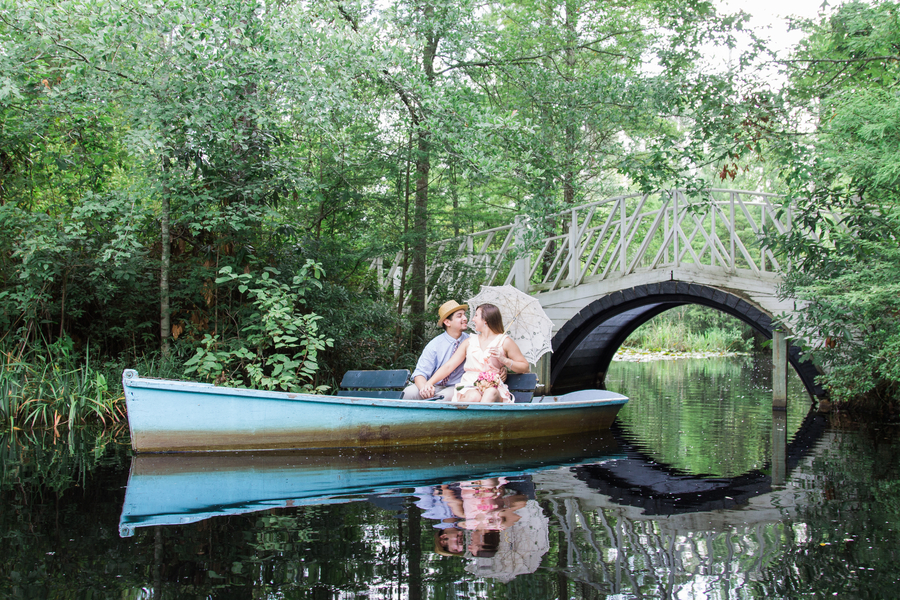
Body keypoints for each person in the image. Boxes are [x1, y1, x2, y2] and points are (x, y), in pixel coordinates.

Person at [424, 303, 530, 403]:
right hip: (470, 386)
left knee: (490, 392)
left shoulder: (505, 341)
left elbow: (525, 367)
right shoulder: (469, 341)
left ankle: (481, 420)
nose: (473, 319)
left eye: (476, 316)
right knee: (473, 396)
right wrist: (429, 383)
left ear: (485, 320)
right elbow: (449, 366)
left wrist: (504, 360)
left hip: (493, 387)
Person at [402, 300, 470, 401]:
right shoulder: (435, 344)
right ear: (447, 322)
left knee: (442, 398)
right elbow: (420, 373)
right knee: (408, 393)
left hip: (456, 386)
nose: (465, 318)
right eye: (459, 316)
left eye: (464, 315)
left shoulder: (471, 341)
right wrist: (424, 388)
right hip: (433, 385)